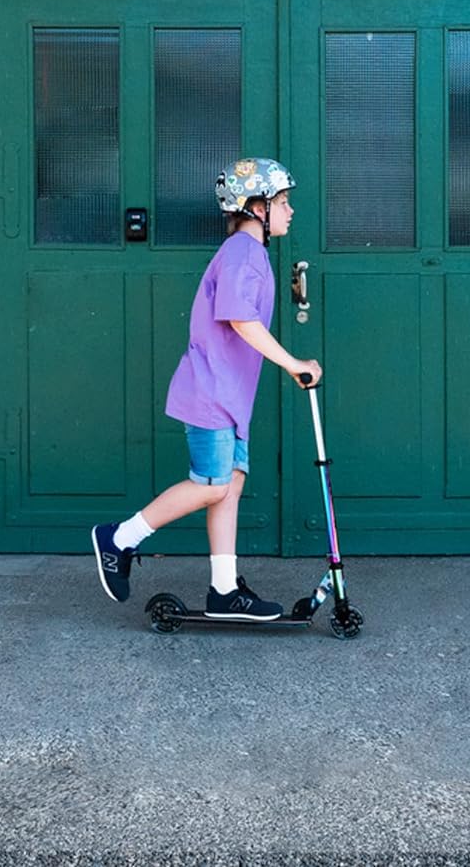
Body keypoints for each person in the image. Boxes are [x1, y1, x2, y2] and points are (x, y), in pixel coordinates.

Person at [90, 157, 322, 620]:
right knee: (212, 485)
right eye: (283, 201)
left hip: (230, 397)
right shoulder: (242, 252)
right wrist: (292, 363)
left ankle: (223, 589)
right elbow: (240, 319)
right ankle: (119, 538)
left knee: (229, 486)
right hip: (212, 393)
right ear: (256, 206)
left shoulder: (250, 253)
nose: (290, 211)